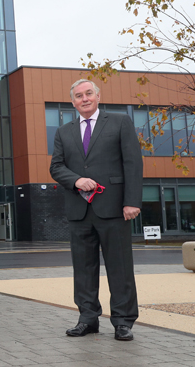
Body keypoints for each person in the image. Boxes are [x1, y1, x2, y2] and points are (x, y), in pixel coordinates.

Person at [50, 79, 143, 341]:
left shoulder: (120, 122)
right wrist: (76, 180)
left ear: (98, 96)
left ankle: (123, 321)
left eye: (89, 93)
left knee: (120, 267)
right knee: (83, 268)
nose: (84, 99)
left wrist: (132, 201)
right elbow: (56, 167)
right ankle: (88, 318)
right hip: (79, 211)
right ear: (73, 102)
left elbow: (133, 162)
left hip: (114, 208)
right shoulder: (63, 131)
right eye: (79, 96)